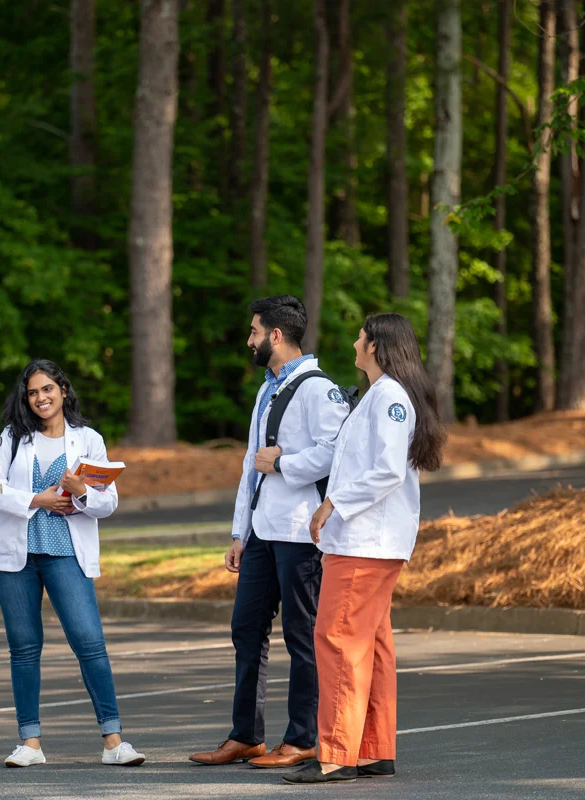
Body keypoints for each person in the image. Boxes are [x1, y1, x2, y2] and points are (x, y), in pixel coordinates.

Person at [283, 312, 446, 785]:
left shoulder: (389, 397)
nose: (354, 341)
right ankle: (374, 748)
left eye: (360, 336)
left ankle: (335, 754)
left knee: (336, 639)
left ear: (374, 345)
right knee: (372, 644)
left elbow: (389, 470)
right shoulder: (379, 396)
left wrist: (333, 503)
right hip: (367, 540)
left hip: (365, 541)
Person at [190, 296, 349, 770]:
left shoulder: (318, 389)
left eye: (254, 331)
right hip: (262, 529)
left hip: (302, 532)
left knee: (302, 635)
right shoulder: (268, 389)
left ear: (275, 336)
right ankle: (246, 736)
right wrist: (239, 532)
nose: (250, 340)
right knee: (246, 629)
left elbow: (337, 450)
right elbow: (249, 467)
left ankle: (301, 737)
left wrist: (283, 463)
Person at [0, 359, 145, 768]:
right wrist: (38, 499)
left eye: (47, 389)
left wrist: (81, 490)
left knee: (89, 643)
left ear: (63, 390)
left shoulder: (88, 440)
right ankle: (29, 744)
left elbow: (108, 502)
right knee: (24, 649)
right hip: (16, 557)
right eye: (32, 392)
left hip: (66, 553)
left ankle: (114, 742)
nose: (40, 398)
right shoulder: (12, 437)